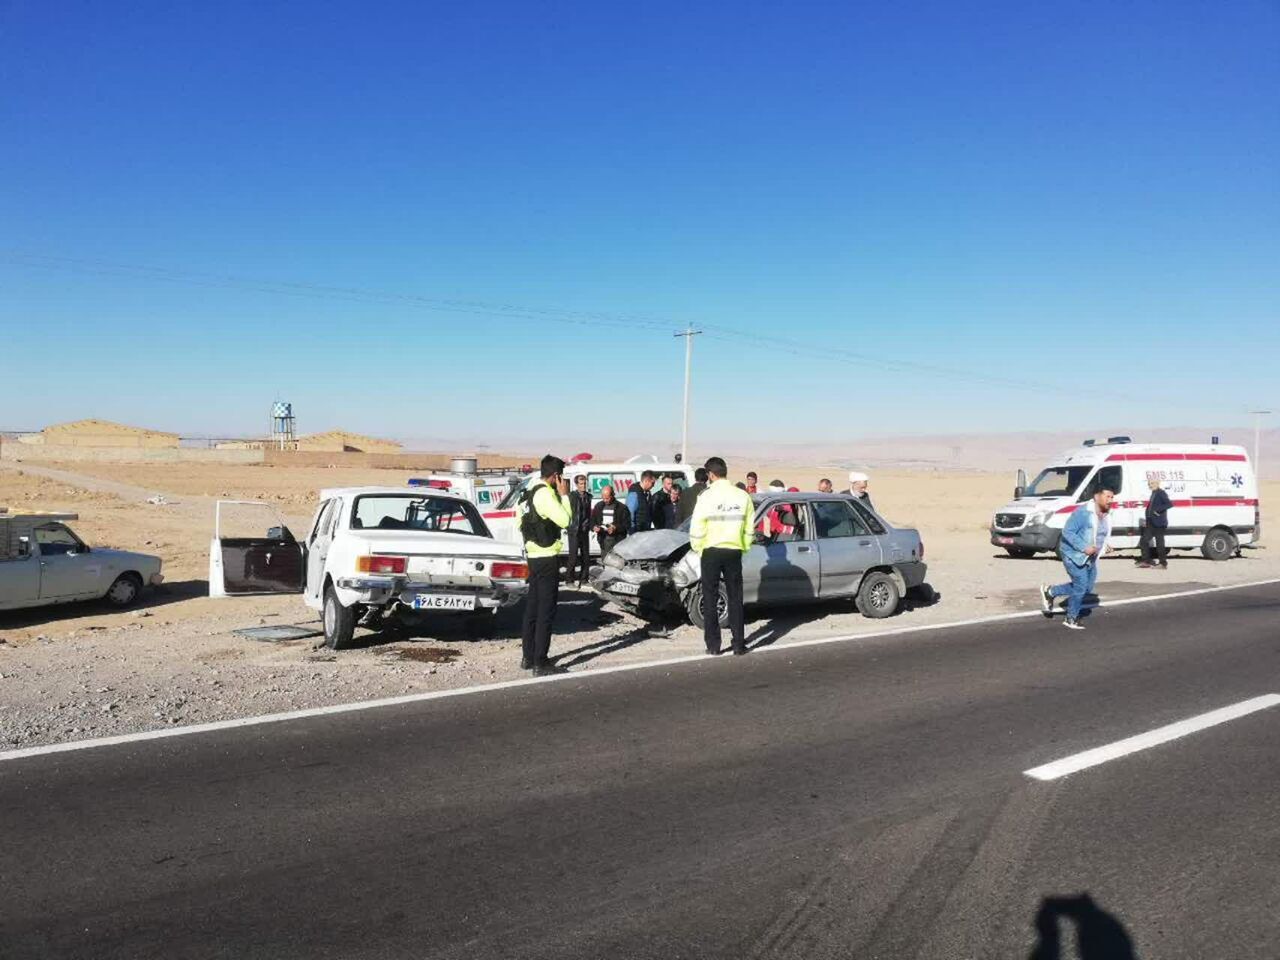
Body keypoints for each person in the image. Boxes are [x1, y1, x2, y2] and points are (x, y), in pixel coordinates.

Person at [690, 456, 755, 656]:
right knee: (736, 597)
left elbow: (697, 526)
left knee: (710, 597)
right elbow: (749, 527)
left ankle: (713, 645)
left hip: (711, 551)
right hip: (733, 551)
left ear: (710, 475)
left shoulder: (706, 497)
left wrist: (699, 548)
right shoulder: (742, 496)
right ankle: (738, 644)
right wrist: (743, 547)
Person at [517, 454, 573, 674]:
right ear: (556, 476)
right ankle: (541, 661)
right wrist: (565, 496)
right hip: (547, 556)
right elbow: (566, 520)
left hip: (533, 555)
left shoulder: (528, 493)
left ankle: (527, 657)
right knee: (545, 611)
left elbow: (519, 521)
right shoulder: (546, 495)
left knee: (532, 609)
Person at [1040, 485, 1116, 630]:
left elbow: (1100, 534)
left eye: (1112, 497)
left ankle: (1050, 592)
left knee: (1086, 588)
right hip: (1073, 554)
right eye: (1107, 496)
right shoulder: (1083, 513)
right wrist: (1083, 547)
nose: (1110, 500)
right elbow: (1067, 532)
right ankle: (1071, 618)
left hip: (1091, 557)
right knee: (1081, 586)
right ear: (1096, 496)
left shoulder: (1107, 514)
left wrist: (1106, 546)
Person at [1137, 477, 1172, 569]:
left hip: (1159, 523)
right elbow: (1151, 508)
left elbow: (1169, 504)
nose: (1150, 485)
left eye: (1152, 483)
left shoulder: (1161, 493)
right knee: (1144, 541)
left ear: (1157, 483)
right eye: (1149, 484)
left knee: (1160, 544)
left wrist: (1157, 511)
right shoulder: (1154, 493)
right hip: (1151, 523)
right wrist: (1147, 520)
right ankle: (1146, 561)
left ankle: (1163, 563)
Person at [565, 474, 592, 587]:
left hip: (584, 530)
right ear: (576, 484)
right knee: (573, 556)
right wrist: (569, 526)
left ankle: (584, 579)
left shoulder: (588, 496)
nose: (583, 485)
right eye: (581, 483)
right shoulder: (571, 496)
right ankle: (569, 580)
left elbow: (588, 514)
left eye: (585, 483)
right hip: (574, 530)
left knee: (585, 557)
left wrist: (589, 525)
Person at [590, 484, 630, 557]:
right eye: (603, 498)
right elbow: (592, 521)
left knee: (616, 563)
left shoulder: (622, 508)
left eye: (607, 498)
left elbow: (627, 525)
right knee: (605, 561)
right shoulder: (598, 506)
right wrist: (594, 527)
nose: (605, 500)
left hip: (617, 540)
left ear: (613, 495)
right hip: (603, 539)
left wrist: (615, 528)